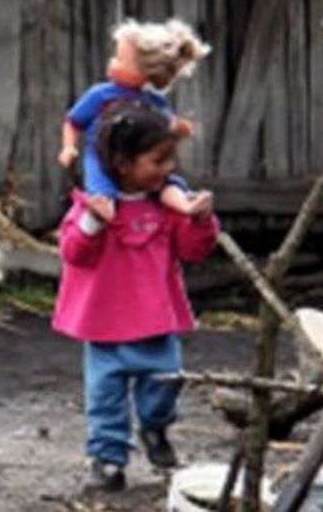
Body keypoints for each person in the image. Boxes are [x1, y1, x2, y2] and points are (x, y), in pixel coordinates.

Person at [54, 101, 221, 492]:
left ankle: (156, 427)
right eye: (157, 160)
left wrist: (201, 219)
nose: (168, 170)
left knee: (164, 384)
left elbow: (194, 250)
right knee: (105, 398)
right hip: (104, 324)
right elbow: (74, 254)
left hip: (155, 322)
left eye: (170, 160)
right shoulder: (91, 206)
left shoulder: (165, 208)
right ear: (123, 164)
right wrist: (93, 223)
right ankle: (108, 459)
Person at [58, 18, 211, 222]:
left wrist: (178, 129)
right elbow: (73, 122)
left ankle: (186, 206)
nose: (112, 62)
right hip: (103, 158)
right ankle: (103, 216)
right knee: (100, 187)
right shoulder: (101, 95)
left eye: (120, 59)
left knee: (170, 183)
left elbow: (165, 131)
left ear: (147, 71)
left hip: (140, 166)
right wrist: (68, 147)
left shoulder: (155, 103)